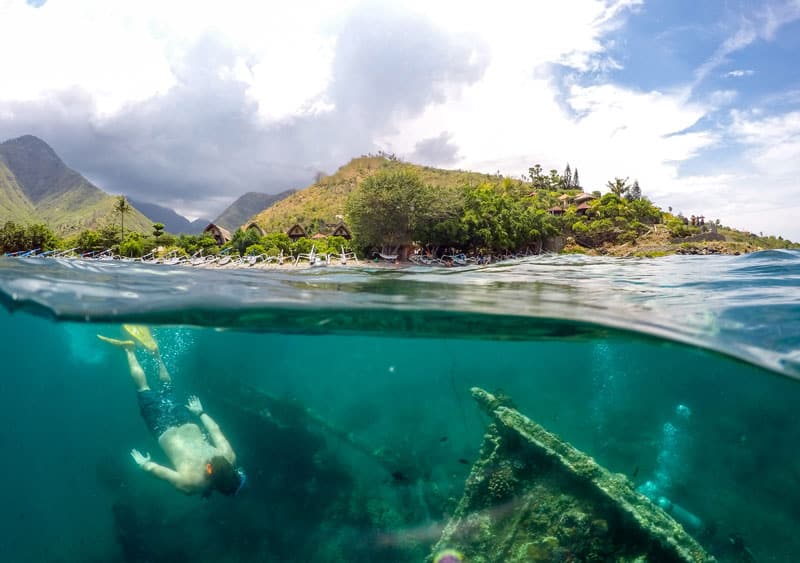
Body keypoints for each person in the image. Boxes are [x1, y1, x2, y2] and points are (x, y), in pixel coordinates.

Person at [98, 325, 245, 497]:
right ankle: (129, 350)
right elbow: (160, 472)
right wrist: (145, 464)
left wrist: (200, 412)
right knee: (143, 388)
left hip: (185, 421)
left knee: (167, 389)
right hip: (163, 429)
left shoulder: (229, 456)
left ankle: (157, 354)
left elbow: (215, 430)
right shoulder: (191, 483)